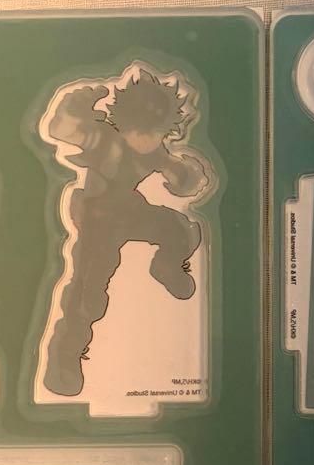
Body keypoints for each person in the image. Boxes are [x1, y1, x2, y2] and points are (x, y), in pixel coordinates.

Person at [42, 70, 209, 396]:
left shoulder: (156, 150)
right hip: (98, 222)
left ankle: (167, 267)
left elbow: (180, 177)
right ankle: (64, 361)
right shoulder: (104, 139)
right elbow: (59, 129)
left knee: (180, 229)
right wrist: (75, 105)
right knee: (88, 293)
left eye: (155, 134)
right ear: (126, 123)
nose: (147, 141)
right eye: (141, 132)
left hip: (129, 211)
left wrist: (186, 176)